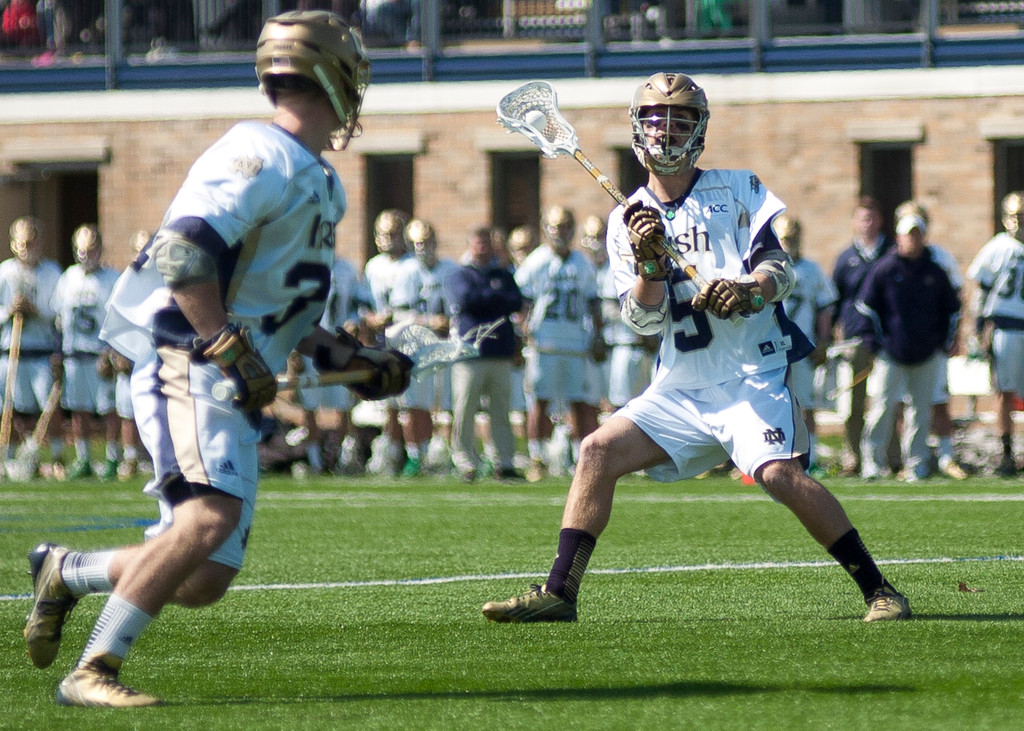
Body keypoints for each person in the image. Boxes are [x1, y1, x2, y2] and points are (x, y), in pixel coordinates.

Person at [22, 11, 412, 707]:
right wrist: (227, 346)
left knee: (203, 576)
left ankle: (66, 569)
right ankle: (92, 669)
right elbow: (181, 253)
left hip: (228, 375)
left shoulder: (320, 179)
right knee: (207, 519)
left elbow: (284, 314)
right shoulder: (259, 152)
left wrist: (357, 360)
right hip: (188, 358)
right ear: (332, 74)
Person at [482, 72, 910, 625]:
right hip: (680, 385)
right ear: (637, 131)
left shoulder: (737, 189)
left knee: (779, 474)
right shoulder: (625, 220)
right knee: (596, 451)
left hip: (751, 374)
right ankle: (560, 592)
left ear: (699, 130)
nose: (665, 132)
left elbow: (779, 268)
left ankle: (880, 590)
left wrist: (747, 288)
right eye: (655, 120)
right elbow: (642, 319)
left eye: (678, 120)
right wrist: (651, 265)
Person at [856, 213, 961, 481]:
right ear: (899, 237)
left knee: (920, 411)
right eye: (908, 234)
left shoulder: (934, 272)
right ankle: (872, 463)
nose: (913, 239)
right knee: (882, 407)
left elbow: (952, 309)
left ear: (923, 237)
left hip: (926, 353)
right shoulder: (885, 269)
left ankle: (916, 464)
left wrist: (943, 342)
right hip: (890, 353)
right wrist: (874, 342)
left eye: (917, 234)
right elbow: (866, 308)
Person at [514, 205, 604, 482]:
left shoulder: (582, 263)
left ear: (573, 230)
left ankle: (581, 459)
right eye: (555, 227)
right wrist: (520, 333)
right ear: (545, 229)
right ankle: (537, 457)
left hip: (576, 343)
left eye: (565, 227)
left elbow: (593, 301)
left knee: (581, 402)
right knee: (540, 402)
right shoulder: (536, 261)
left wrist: (598, 334)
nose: (560, 233)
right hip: (544, 343)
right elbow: (521, 303)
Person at [893, 200, 968, 480]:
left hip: (932, 343)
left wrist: (954, 336)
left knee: (939, 400)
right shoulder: (892, 261)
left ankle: (947, 457)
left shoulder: (940, 258)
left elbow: (957, 301)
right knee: (902, 403)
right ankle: (910, 459)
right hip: (901, 346)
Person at [446, 225, 524, 482]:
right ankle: (465, 461)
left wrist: (489, 298)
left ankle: (505, 461)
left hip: (500, 352)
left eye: (486, 243)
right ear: (470, 244)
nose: (482, 247)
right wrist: (495, 297)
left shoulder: (502, 273)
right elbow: (466, 299)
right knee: (465, 409)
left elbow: (515, 301)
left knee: (501, 411)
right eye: (478, 242)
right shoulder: (461, 274)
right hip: (470, 353)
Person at [51, 224, 122, 480]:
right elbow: (59, 319)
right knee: (78, 408)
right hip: (74, 352)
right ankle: (84, 458)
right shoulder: (68, 277)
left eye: (91, 249)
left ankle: (113, 457)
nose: (86, 255)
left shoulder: (112, 278)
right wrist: (57, 352)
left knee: (108, 409)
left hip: (99, 353)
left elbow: (118, 320)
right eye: (81, 250)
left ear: (100, 249)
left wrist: (112, 351)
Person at [830, 195, 894, 475]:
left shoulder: (891, 253)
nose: (867, 224)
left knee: (888, 401)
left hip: (887, 339)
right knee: (853, 403)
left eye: (872, 218)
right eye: (862, 218)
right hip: (855, 340)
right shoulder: (846, 259)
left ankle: (890, 456)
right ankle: (852, 457)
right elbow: (835, 300)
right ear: (855, 223)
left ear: (879, 221)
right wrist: (834, 335)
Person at [389, 217, 457, 477]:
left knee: (445, 403)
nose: (422, 248)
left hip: (444, 345)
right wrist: (430, 321)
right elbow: (400, 311)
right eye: (417, 243)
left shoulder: (449, 268)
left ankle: (444, 453)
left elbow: (458, 307)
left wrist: (448, 322)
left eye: (427, 242)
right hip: (415, 346)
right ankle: (416, 455)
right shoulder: (406, 271)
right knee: (414, 404)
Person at [966, 191, 1024, 477]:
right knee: (1004, 390)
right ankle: (1007, 453)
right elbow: (981, 290)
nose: (1020, 222)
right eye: (1016, 216)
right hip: (1006, 326)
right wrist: (979, 327)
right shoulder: (997, 247)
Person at [0, 216, 64, 474]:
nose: (27, 248)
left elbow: (57, 312)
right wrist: (9, 311)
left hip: (41, 350)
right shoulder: (5, 272)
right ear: (13, 244)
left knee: (48, 404)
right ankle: (10, 454)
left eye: (32, 242)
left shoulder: (51, 272)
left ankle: (57, 454)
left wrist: (35, 311)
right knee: (9, 404)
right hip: (10, 350)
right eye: (22, 243)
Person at [775, 214, 837, 476]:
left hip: (800, 347)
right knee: (770, 404)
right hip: (770, 349)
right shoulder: (765, 269)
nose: (790, 244)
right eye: (785, 239)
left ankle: (810, 457)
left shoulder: (811, 270)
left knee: (805, 405)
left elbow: (824, 306)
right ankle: (769, 459)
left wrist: (822, 340)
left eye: (793, 238)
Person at [363, 207, 410, 476]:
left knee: (412, 403)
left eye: (393, 233)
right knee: (389, 402)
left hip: (409, 340)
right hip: (384, 342)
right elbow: (364, 306)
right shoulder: (373, 267)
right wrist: (370, 320)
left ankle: (414, 452)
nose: (387, 239)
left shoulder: (411, 265)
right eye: (382, 234)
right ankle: (391, 450)